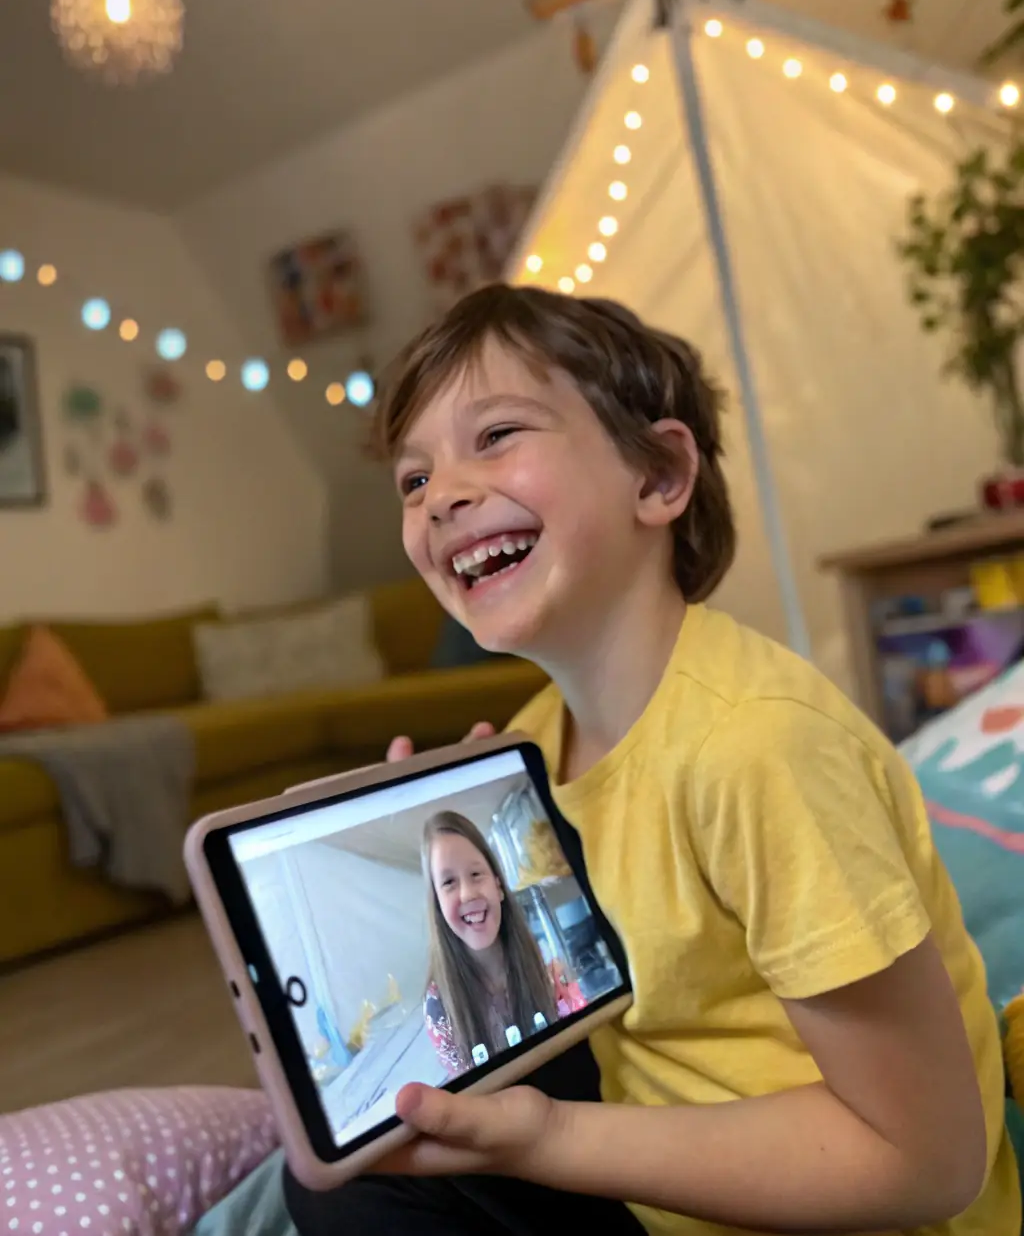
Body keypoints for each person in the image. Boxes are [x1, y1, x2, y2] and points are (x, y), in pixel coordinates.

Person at [285, 284, 1021, 1236]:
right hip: (666, 1156)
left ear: (659, 476)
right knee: (351, 1161)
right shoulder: (530, 740)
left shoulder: (757, 745)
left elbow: (927, 1160)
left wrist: (550, 1137)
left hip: (850, 1204)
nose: (444, 497)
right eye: (414, 480)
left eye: (497, 433)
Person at [420, 809, 585, 1077]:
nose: (467, 893)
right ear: (437, 905)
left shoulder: (547, 966)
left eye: (476, 874)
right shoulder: (439, 1009)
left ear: (498, 885)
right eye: (449, 882)